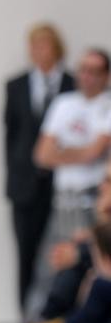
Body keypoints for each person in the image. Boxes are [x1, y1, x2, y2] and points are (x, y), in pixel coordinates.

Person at [4, 23, 74, 315]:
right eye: (34, 46)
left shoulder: (72, 85)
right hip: (26, 187)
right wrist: (14, 180)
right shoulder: (16, 85)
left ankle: (56, 317)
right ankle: (26, 318)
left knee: (63, 252)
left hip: (64, 186)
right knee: (27, 253)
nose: (38, 51)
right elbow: (10, 137)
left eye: (44, 45)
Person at [34, 48, 111, 244]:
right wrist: (81, 152)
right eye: (83, 69)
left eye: (94, 71)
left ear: (106, 76)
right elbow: (42, 155)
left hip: (94, 196)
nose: (87, 76)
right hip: (63, 198)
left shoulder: (107, 106)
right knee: (57, 255)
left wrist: (60, 151)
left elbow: (94, 152)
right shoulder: (63, 104)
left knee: (91, 253)